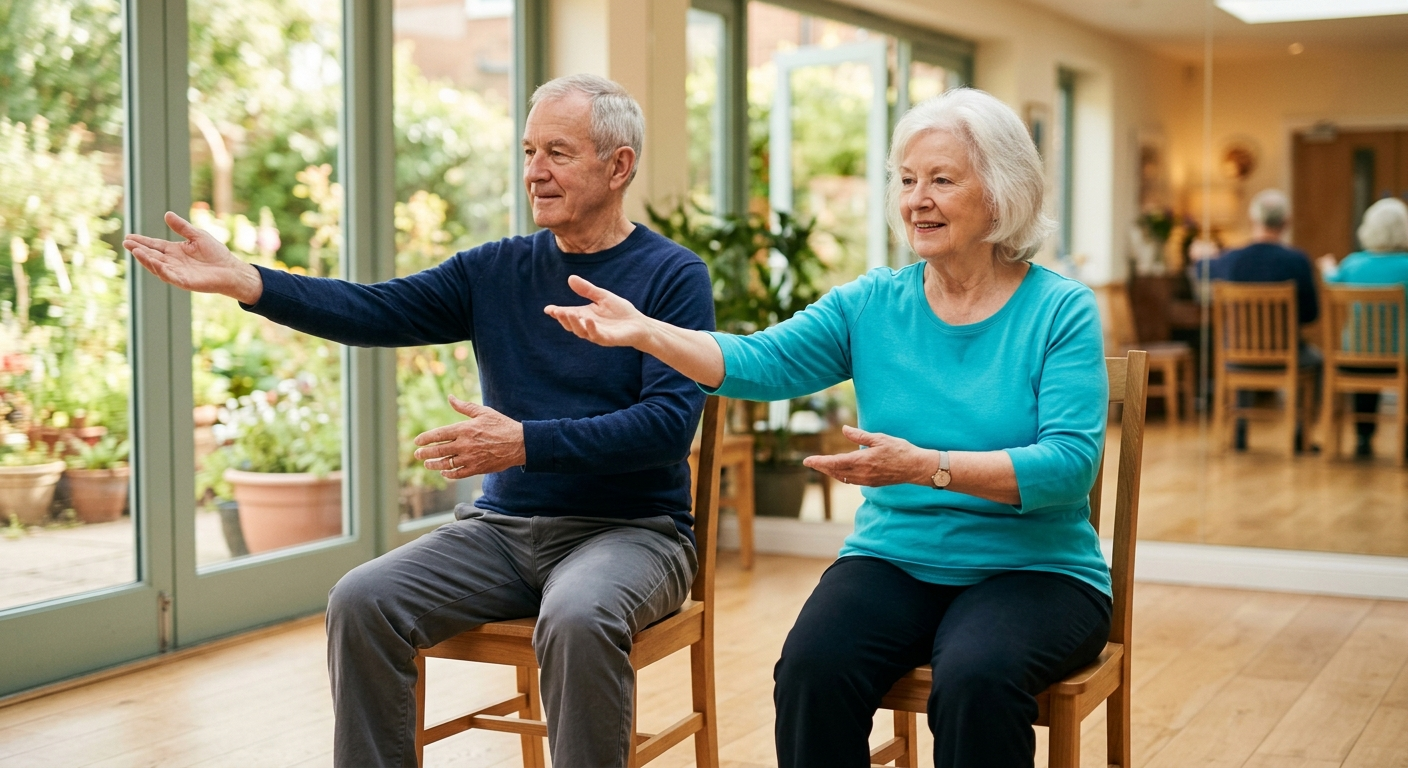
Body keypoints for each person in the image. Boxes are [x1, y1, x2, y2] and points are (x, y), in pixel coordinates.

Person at [123, 74, 715, 768]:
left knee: (578, 616)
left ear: (619, 166)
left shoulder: (673, 276)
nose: (534, 172)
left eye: (557, 152)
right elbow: (373, 310)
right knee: (362, 600)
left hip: (632, 535)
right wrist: (250, 281)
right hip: (503, 533)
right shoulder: (495, 270)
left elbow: (667, 428)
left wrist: (525, 443)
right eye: (528, 151)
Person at [545, 87, 1112, 768]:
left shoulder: (1059, 310)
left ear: (1000, 192)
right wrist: (650, 333)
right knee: (811, 670)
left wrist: (926, 465)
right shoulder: (872, 303)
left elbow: (1069, 467)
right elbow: (759, 361)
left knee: (976, 679)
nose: (916, 199)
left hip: (1037, 569)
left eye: (941, 180)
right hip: (896, 557)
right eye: (906, 180)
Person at [1197, 189, 1321, 450]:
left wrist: (1199, 256)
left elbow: (1201, 270)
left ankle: (1240, 431)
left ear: (1253, 220)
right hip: (1288, 356)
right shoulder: (1297, 261)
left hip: (1236, 356)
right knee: (1319, 362)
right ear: (1286, 222)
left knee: (1242, 344)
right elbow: (1311, 316)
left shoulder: (1231, 259)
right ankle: (1302, 433)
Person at [1322, 197, 1408, 458]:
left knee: (1364, 356)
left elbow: (1332, 281)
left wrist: (1326, 268)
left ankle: (1363, 438)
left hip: (1353, 358)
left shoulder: (1352, 263)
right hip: (1400, 359)